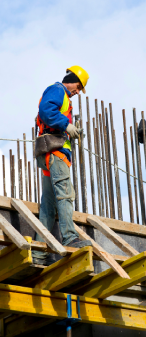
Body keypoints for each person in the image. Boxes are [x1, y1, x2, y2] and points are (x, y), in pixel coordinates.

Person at [32, 66, 91, 265]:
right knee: (65, 194)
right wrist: (66, 125)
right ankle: (69, 238)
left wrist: (69, 129)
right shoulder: (58, 90)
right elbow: (46, 111)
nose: (77, 91)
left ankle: (39, 253)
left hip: (51, 154)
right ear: (71, 79)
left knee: (48, 206)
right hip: (56, 154)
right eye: (78, 86)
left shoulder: (65, 98)